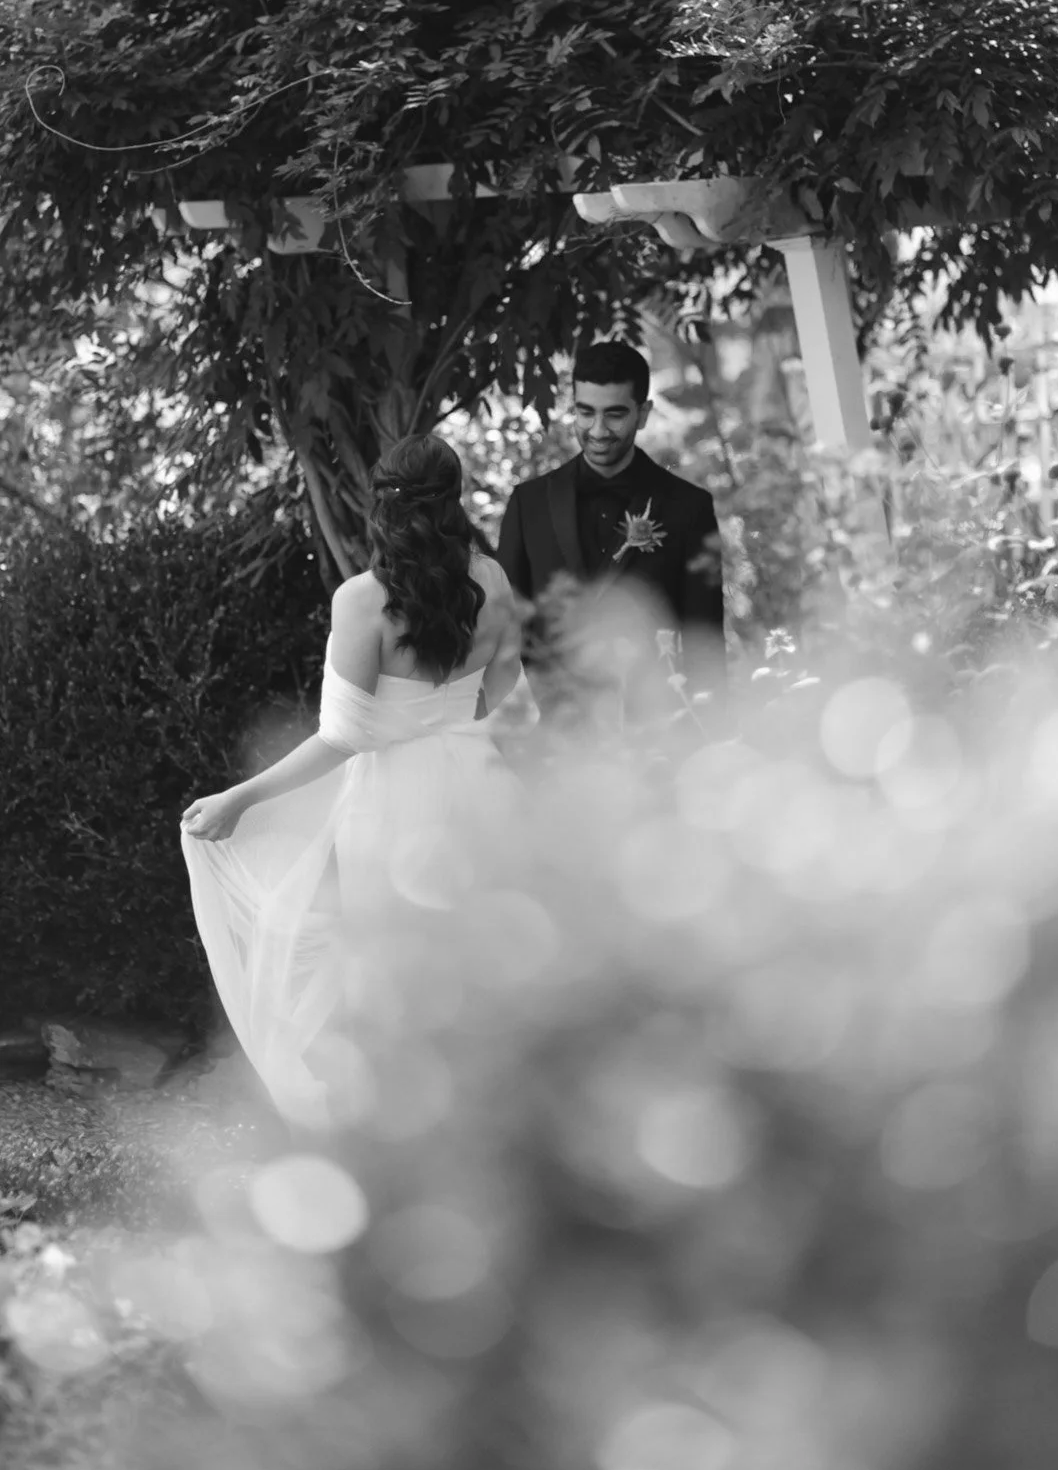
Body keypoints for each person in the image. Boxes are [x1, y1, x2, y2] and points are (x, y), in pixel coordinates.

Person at [180, 433, 522, 1125]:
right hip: (478, 787)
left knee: (392, 975)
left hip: (396, 801)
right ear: (453, 498)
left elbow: (342, 736)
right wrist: (447, 721)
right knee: (473, 961)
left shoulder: (362, 600)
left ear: (379, 507)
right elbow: (506, 689)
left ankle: (406, 1132)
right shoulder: (492, 579)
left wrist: (239, 798)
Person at [496, 339, 725, 704]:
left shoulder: (689, 508)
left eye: (615, 414)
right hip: (555, 730)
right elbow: (507, 628)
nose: (598, 430)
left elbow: (705, 639)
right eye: (585, 412)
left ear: (644, 413)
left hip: (654, 726)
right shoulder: (528, 504)